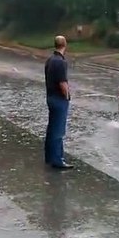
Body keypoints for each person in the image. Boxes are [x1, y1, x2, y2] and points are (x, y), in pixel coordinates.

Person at [44, 35, 74, 169]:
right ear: (65, 44)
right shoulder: (61, 62)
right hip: (59, 99)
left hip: (50, 97)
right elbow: (63, 83)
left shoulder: (50, 60)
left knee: (51, 129)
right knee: (58, 131)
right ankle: (57, 160)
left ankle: (49, 156)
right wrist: (67, 96)